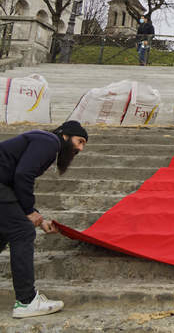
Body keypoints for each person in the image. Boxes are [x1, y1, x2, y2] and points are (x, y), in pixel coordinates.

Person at [1, 121, 88, 318]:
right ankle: (26, 302)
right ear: (65, 136)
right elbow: (23, 175)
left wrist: (38, 218)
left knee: (5, 231)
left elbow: (13, 182)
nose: (80, 149)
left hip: (4, 187)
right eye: (80, 141)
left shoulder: (43, 141)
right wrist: (29, 212)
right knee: (22, 231)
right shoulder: (49, 141)